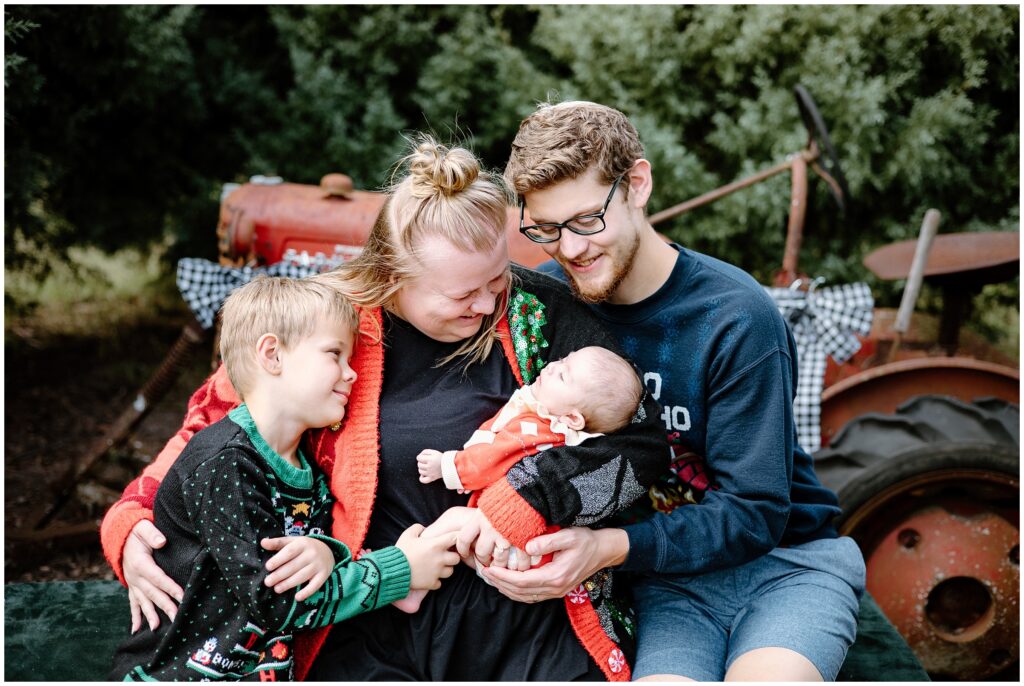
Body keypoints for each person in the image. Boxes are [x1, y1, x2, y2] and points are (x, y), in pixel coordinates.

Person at [99, 135, 668, 681]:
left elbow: (640, 453)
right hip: (362, 619)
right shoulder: (322, 322)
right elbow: (212, 427)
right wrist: (130, 520)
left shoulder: (537, 314)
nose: (490, 302)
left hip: (523, 622)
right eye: (462, 294)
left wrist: (517, 501)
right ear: (392, 277)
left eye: (497, 278)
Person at [484, 101, 866, 682]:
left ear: (637, 184)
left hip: (785, 563)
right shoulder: (546, 304)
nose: (571, 248)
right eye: (546, 230)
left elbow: (755, 512)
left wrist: (607, 547)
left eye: (588, 219)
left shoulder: (736, 318)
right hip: (669, 582)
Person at [109, 276, 459, 681]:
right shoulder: (226, 464)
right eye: (335, 354)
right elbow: (276, 600)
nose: (351, 374)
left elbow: (300, 561)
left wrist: (328, 553)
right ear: (272, 354)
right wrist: (399, 571)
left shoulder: (304, 467)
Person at [402, 345, 642, 612]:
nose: (552, 366)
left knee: (453, 521)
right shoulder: (573, 441)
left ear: (573, 418)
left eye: (563, 375)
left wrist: (447, 466)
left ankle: (410, 581)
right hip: (531, 555)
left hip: (523, 553)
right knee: (460, 536)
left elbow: (492, 460)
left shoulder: (537, 432)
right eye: (562, 359)